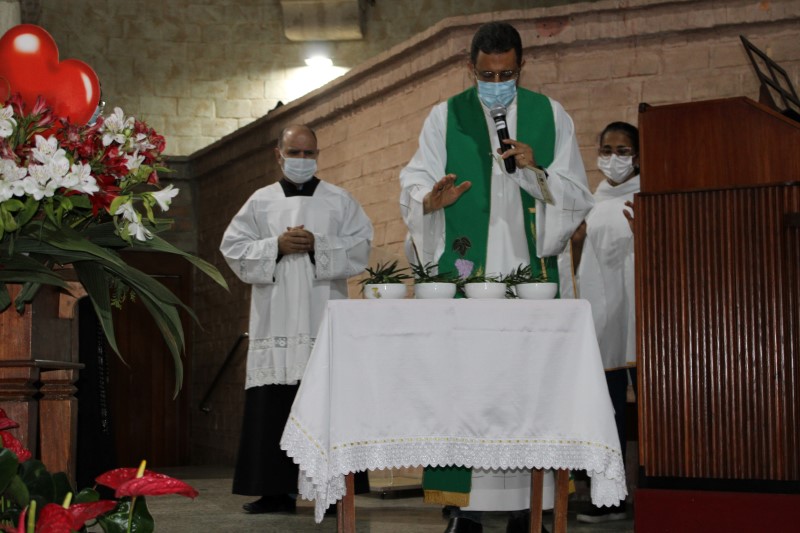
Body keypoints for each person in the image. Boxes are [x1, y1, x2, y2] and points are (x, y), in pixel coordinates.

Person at [399, 22, 594, 533]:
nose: (497, 83)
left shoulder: (551, 115)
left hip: (531, 275)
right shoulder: (444, 117)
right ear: (471, 68)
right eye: (487, 75)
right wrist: (430, 201)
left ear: (521, 67)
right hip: (469, 278)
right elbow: (415, 180)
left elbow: (577, 194)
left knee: (530, 385)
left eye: (506, 74)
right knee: (467, 384)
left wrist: (537, 171)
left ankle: (532, 506)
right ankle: (465, 508)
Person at [220, 124, 373, 515]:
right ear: (279, 154)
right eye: (295, 153)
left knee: (326, 402)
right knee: (274, 404)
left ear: (317, 155)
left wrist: (319, 245)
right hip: (276, 318)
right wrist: (276, 245)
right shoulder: (260, 201)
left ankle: (334, 492)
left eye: (309, 153)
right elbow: (233, 248)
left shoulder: (339, 200)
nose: (302, 160)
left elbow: (361, 247)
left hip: (324, 314)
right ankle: (273, 492)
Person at [566, 121, 639, 524]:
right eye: (607, 150)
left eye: (623, 151)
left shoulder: (649, 197)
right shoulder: (589, 203)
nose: (613, 158)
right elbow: (576, 267)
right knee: (608, 411)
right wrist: (575, 244)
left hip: (642, 317)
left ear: (638, 156)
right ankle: (608, 498)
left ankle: (657, 489)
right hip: (604, 321)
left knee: (653, 408)